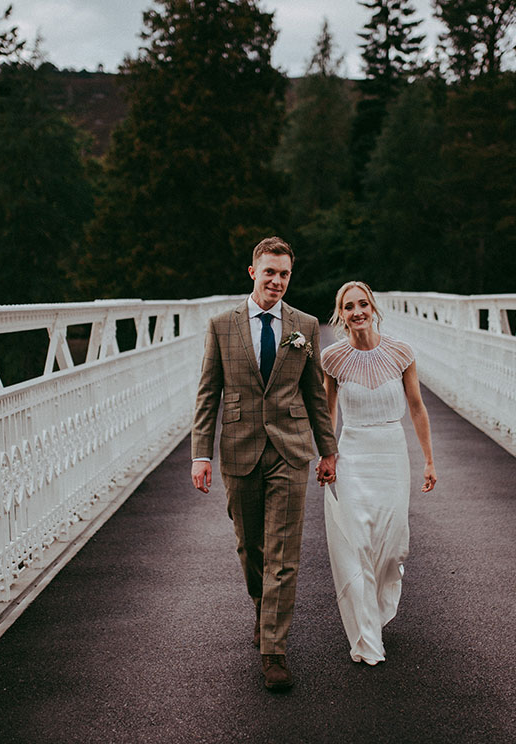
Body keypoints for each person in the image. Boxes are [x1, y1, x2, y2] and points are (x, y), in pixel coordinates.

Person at [191, 237, 338, 691]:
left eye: (285, 274)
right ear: (252, 272)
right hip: (239, 446)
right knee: (249, 544)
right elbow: (208, 392)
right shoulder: (221, 325)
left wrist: (328, 449)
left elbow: (315, 393)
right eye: (270, 272)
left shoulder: (305, 325)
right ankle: (261, 606)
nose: (277, 281)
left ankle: (274, 650)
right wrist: (201, 454)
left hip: (291, 449)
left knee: (284, 552)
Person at [317, 280, 437, 666]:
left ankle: (379, 606)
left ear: (373, 308)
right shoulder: (333, 359)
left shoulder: (401, 352)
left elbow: (417, 407)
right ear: (341, 314)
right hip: (353, 454)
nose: (357, 312)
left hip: (391, 454)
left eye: (363, 304)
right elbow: (328, 412)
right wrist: (328, 455)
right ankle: (367, 637)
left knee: (392, 545)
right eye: (349, 306)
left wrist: (429, 460)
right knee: (358, 544)